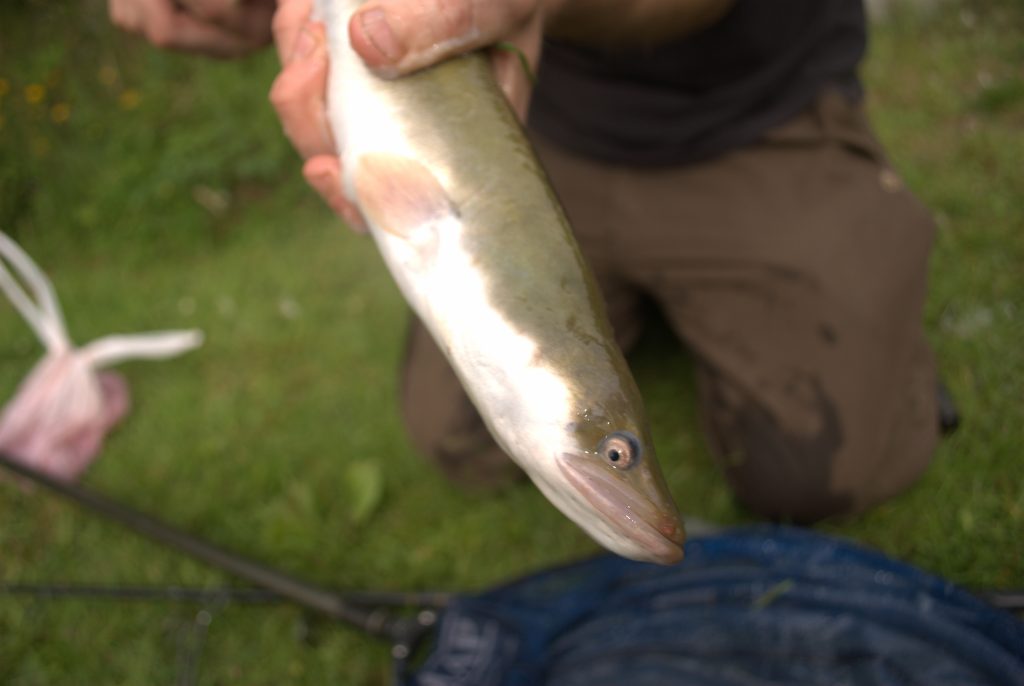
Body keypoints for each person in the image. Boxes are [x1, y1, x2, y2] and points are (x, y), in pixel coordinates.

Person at [110, 0, 941, 523]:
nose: (631, 490)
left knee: (824, 473)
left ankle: (836, 272)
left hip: (755, 115)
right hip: (539, 128)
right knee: (456, 440)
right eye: (621, 458)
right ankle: (646, 324)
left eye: (620, 457)